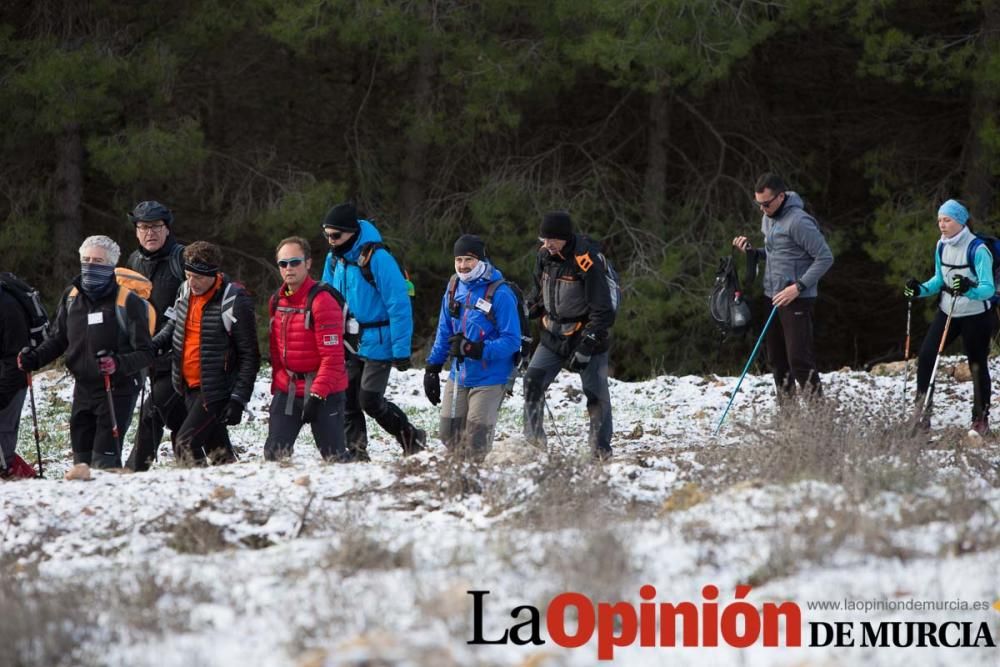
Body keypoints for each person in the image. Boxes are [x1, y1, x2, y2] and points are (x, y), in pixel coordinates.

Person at [18, 236, 153, 469]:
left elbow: (146, 352)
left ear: (111, 265)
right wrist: (35, 358)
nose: (91, 265)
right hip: (83, 389)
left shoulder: (128, 302)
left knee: (104, 464)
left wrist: (116, 363)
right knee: (81, 462)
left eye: (98, 261)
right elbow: (59, 339)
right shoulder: (72, 297)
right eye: (86, 260)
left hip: (117, 389)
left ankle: (110, 504)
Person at [320, 203, 424, 460]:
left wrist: (401, 350)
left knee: (370, 400)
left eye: (336, 236)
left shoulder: (378, 258)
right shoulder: (334, 259)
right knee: (347, 398)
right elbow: (325, 299)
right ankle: (356, 451)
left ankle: (410, 437)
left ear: (352, 232)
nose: (331, 241)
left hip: (379, 340)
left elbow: (398, 305)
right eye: (327, 236)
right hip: (348, 340)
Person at [153, 241, 260, 465]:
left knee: (184, 444)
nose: (192, 282)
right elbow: (175, 325)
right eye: (188, 275)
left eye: (199, 277)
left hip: (215, 391)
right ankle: (227, 494)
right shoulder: (184, 290)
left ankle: (194, 494)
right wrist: (153, 344)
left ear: (214, 274)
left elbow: (250, 355)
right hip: (186, 385)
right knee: (219, 453)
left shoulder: (234, 301)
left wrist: (238, 399)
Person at [523, 212, 616, 460]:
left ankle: (600, 451)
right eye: (543, 239)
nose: (546, 245)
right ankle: (535, 444)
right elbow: (538, 293)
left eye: (551, 240)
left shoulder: (586, 260)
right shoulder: (544, 257)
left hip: (585, 335)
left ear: (564, 238)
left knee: (595, 395)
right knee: (532, 382)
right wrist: (529, 307)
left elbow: (603, 310)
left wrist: (588, 344)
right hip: (553, 335)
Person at [732, 173, 834, 397]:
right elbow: (776, 254)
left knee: (799, 360)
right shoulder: (768, 218)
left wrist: (798, 287)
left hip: (797, 298)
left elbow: (825, 258)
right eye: (758, 204)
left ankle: (819, 421)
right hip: (772, 296)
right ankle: (788, 421)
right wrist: (752, 251)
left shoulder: (799, 221)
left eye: (766, 204)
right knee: (777, 360)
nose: (762, 209)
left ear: (780, 197)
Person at [423, 235, 521, 460]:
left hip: (490, 377)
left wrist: (477, 349)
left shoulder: (500, 293)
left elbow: (511, 340)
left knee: (476, 442)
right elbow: (444, 331)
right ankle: (457, 483)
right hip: (459, 375)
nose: (463, 265)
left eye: (469, 259)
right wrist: (433, 367)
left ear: (482, 261)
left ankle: (473, 486)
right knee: (450, 436)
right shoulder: (453, 286)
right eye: (458, 259)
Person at [904, 199, 995, 435]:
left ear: (961, 221)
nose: (942, 225)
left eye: (947, 220)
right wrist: (919, 289)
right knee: (925, 357)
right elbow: (939, 280)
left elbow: (988, 288)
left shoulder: (977, 249)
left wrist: (968, 288)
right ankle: (921, 417)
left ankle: (980, 418)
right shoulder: (941, 246)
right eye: (939, 221)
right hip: (949, 312)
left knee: (976, 365)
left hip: (976, 315)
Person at [264, 236, 350, 462]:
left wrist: (317, 395)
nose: (289, 268)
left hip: (325, 391)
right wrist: (277, 385)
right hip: (289, 388)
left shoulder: (322, 301)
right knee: (274, 455)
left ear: (308, 263)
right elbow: (276, 351)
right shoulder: (277, 301)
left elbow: (333, 358)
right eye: (283, 264)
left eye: (295, 262)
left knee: (335, 458)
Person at [125, 200, 187, 471]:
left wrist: (159, 342)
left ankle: (131, 472)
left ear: (167, 228)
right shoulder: (134, 261)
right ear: (136, 231)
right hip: (147, 356)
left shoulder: (181, 259)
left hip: (179, 355)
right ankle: (203, 468)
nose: (150, 233)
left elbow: (189, 308)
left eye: (156, 227)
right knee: (181, 421)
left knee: (152, 413)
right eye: (143, 227)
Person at [0, 280, 34, 479]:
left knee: (3, 449)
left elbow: (16, 358)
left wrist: (2, 396)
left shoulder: (7, 306)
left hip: (9, 383)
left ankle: (19, 492)